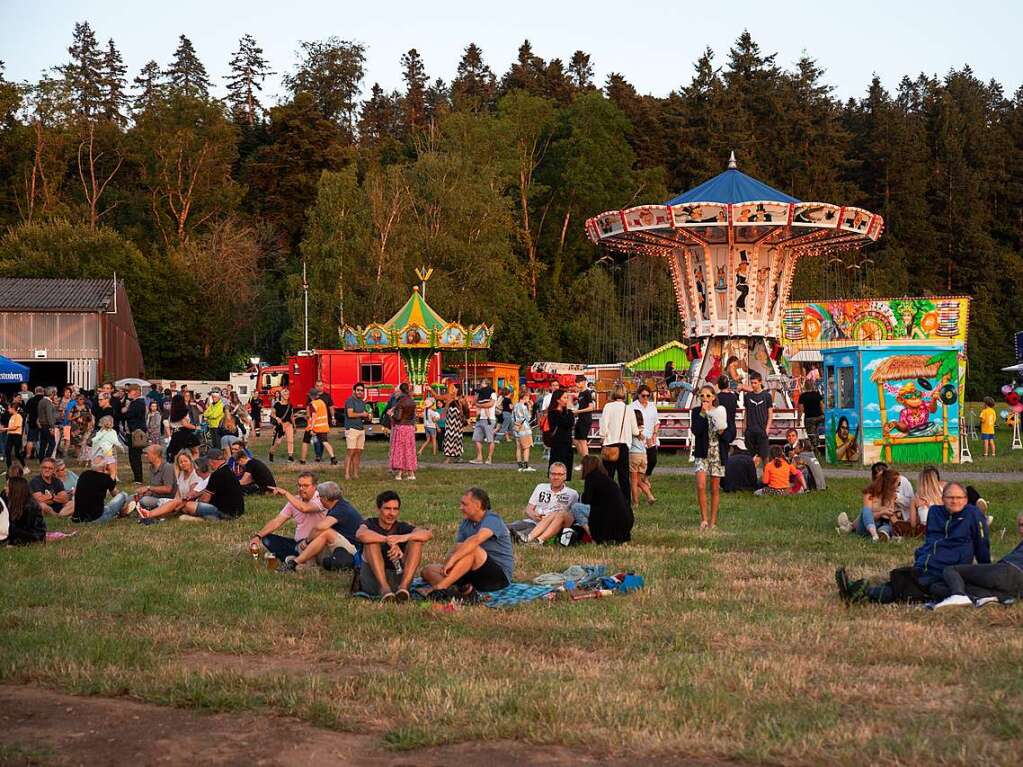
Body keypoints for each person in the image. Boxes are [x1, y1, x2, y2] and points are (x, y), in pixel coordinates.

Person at [836, 482, 990, 604]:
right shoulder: (936, 512)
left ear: (966, 499)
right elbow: (930, 540)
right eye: (950, 497)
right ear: (943, 498)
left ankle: (860, 592)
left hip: (949, 570)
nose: (955, 501)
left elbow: (982, 544)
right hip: (926, 565)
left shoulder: (972, 514)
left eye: (959, 498)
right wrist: (921, 554)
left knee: (905, 586)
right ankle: (858, 590)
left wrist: (986, 571)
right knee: (903, 577)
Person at [421, 487, 514, 599]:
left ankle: (440, 589)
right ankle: (462, 593)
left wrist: (453, 560)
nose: (461, 507)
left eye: (464, 504)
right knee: (428, 570)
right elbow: (458, 547)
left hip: (498, 577)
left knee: (473, 549)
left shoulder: (492, 519)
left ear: (478, 505)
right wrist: (446, 566)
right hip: (473, 573)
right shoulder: (465, 524)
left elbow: (476, 540)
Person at [356, 490, 434, 600]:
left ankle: (404, 588)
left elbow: (428, 534)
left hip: (398, 579)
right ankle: (384, 589)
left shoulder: (402, 527)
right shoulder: (370, 523)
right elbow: (361, 534)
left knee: (416, 541)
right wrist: (388, 540)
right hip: (374, 581)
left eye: (395, 509)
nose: (391, 513)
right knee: (371, 543)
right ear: (379, 509)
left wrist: (403, 538)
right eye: (387, 508)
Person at [934, 512, 1023, 607]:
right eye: (1021, 525)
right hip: (1014, 588)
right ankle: (987, 598)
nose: (1022, 528)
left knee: (951, 570)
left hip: (1009, 571)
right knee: (950, 586)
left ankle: (958, 596)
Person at [277, 481, 364, 573]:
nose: (318, 499)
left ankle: (294, 563)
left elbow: (320, 527)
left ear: (325, 498)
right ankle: (307, 564)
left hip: (354, 551)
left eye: (319, 496)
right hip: (341, 548)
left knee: (326, 533)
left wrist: (307, 542)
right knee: (317, 538)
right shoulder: (340, 505)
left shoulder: (341, 509)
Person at [249, 472, 326, 561]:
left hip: (315, 543)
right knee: (267, 539)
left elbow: (304, 508)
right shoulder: (295, 501)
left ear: (315, 486)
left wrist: (286, 493)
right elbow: (277, 521)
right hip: (298, 544)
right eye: (299, 485)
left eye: (305, 485)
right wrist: (258, 536)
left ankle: (297, 559)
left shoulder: (321, 499)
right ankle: (296, 558)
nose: (301, 488)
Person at [508, 463, 580, 545]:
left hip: (549, 526)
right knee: (505, 528)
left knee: (516, 537)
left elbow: (572, 518)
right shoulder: (541, 487)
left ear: (565, 476)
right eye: (553, 474)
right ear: (549, 475)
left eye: (560, 474)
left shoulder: (572, 494)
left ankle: (527, 539)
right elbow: (529, 509)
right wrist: (534, 515)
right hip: (532, 521)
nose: (556, 477)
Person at [691, 384, 728, 529]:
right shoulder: (696, 412)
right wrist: (702, 412)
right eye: (702, 396)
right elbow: (696, 430)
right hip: (702, 452)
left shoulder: (720, 411)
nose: (705, 398)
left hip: (717, 452)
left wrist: (723, 432)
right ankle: (704, 519)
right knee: (700, 486)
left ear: (713, 397)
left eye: (708, 396)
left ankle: (713, 522)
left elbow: (729, 431)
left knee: (714, 489)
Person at [599, 384, 639, 508]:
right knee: (623, 477)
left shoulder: (608, 407)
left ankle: (605, 500)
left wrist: (602, 437)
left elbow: (604, 425)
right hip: (624, 446)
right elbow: (635, 431)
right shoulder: (629, 409)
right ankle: (626, 502)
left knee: (607, 476)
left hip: (610, 444)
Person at [579, 455, 633, 544]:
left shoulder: (591, 477)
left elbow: (586, 500)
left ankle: (590, 535)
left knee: (576, 508)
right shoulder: (606, 479)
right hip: (625, 521)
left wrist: (580, 495)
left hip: (609, 523)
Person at [138, 451, 205, 521]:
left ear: (191, 461)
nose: (183, 464)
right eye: (181, 462)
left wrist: (175, 504)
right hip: (179, 501)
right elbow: (178, 493)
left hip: (188, 502)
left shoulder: (195, 475)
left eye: (185, 461)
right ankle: (153, 513)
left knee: (170, 504)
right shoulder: (181, 474)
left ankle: (149, 514)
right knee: (161, 502)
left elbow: (191, 496)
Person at [184, 448, 244, 521]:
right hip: (238, 511)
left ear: (211, 461)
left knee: (188, 506)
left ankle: (209, 518)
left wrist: (195, 501)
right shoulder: (228, 470)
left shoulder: (216, 475)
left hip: (225, 513)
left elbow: (205, 500)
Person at [72, 456, 130, 523]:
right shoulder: (105, 478)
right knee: (123, 495)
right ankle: (123, 512)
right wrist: (112, 473)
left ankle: (121, 512)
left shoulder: (84, 474)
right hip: (96, 518)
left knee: (102, 505)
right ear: (105, 466)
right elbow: (115, 494)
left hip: (77, 518)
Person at [0, 475, 46, 545]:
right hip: (13, 531)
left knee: (10, 529)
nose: (4, 488)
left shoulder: (30, 507)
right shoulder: (5, 497)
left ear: (15, 489)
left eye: (7, 486)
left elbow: (30, 531)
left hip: (32, 535)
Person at [342, 382, 372, 478]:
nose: (360, 392)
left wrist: (368, 417)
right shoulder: (350, 401)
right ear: (354, 391)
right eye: (358, 390)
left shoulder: (362, 402)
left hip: (361, 429)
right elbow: (350, 414)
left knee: (358, 453)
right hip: (351, 429)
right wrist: (362, 414)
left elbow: (363, 417)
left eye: (362, 390)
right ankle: (347, 474)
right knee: (350, 452)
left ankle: (355, 474)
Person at [631, 384, 660, 482]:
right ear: (638, 395)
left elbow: (656, 422)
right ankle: (639, 481)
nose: (645, 398)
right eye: (643, 395)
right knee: (641, 462)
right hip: (639, 438)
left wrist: (655, 433)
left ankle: (646, 477)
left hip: (650, 437)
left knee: (653, 460)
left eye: (648, 396)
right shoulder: (632, 406)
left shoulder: (652, 406)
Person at [389, 383, 418, 481]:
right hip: (410, 427)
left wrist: (391, 414)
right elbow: (414, 416)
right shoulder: (412, 401)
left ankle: (399, 474)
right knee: (409, 450)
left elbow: (398, 417)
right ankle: (411, 473)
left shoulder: (400, 402)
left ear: (400, 391)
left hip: (401, 427)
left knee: (400, 450)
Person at [545, 389, 576, 480]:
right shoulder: (554, 412)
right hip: (558, 443)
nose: (567, 400)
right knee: (558, 463)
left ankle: (565, 480)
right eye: (565, 398)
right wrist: (570, 410)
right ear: (558, 400)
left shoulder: (564, 412)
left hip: (567, 442)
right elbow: (568, 422)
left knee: (567, 463)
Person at [301, 389, 337, 465]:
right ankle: (333, 458)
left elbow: (313, 416)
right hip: (323, 426)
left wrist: (311, 428)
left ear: (311, 396)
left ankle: (303, 460)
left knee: (305, 442)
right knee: (325, 442)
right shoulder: (322, 402)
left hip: (314, 427)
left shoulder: (312, 404)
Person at [742, 372, 773, 462]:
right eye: (751, 383)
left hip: (762, 430)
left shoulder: (767, 396)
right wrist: (745, 426)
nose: (753, 385)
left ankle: (767, 475)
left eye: (755, 383)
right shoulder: (748, 396)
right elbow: (746, 412)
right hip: (750, 430)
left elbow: (770, 414)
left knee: (765, 457)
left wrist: (767, 429)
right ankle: (752, 475)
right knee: (751, 457)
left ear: (760, 382)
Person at [905, 466, 945, 534]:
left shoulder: (915, 499)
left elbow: (913, 524)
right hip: (943, 526)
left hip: (926, 530)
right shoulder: (943, 490)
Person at [137, 445, 176, 513]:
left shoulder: (167, 467)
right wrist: (144, 493)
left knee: (144, 501)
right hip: (155, 496)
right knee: (132, 497)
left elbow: (168, 489)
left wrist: (149, 488)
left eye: (147, 453)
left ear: (156, 455)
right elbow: (154, 488)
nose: (145, 456)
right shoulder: (151, 467)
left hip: (166, 499)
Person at [629, 410, 655, 506]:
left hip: (633, 455)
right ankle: (649, 495)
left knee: (634, 481)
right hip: (644, 456)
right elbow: (650, 444)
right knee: (639, 480)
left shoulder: (631, 429)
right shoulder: (646, 429)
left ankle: (635, 503)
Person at [470, 380, 497, 465]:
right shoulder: (480, 394)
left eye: (482, 384)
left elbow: (490, 404)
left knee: (490, 439)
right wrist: (477, 394)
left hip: (489, 419)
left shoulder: (492, 394)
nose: (480, 385)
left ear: (486, 384)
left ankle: (489, 458)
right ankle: (479, 458)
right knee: (477, 439)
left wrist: (479, 405)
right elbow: (473, 402)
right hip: (480, 418)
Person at [572, 376, 596, 469]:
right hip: (580, 418)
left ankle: (586, 464)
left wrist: (578, 412)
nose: (577, 384)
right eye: (576, 382)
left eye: (579, 382)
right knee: (576, 440)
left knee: (583, 441)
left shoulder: (587, 393)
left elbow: (591, 407)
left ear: (584, 382)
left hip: (585, 419)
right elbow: (580, 406)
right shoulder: (581, 393)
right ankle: (583, 461)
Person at [268, 389, 295, 463]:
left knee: (290, 440)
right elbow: (272, 414)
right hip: (280, 425)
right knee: (277, 442)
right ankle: (271, 452)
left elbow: (292, 416)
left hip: (288, 424)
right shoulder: (277, 404)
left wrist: (294, 426)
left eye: (288, 394)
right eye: (285, 394)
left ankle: (290, 456)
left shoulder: (290, 405)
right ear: (281, 395)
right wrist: (277, 418)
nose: (287, 396)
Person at [797, 381, 825, 453]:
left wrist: (798, 420)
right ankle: (820, 446)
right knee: (818, 432)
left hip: (809, 418)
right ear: (812, 386)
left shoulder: (803, 396)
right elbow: (822, 406)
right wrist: (824, 415)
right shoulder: (817, 394)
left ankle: (815, 449)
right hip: (820, 416)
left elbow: (800, 409)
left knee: (811, 434)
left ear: (804, 387)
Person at [512, 390, 535, 472]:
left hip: (516, 428)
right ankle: (525, 466)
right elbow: (528, 418)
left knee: (518, 447)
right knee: (526, 447)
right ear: (525, 397)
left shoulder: (516, 406)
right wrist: (530, 408)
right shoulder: (524, 407)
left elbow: (513, 418)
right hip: (524, 429)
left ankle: (519, 466)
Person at [442, 389, 467, 463]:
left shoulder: (460, 400)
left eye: (454, 389)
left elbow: (463, 411)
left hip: (455, 425)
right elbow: (445, 411)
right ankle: (450, 458)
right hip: (452, 425)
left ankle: (454, 458)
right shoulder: (451, 400)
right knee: (452, 440)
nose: (452, 390)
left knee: (455, 440)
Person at [36, 386, 58, 460]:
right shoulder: (47, 402)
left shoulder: (41, 401)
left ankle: (41, 460)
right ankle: (47, 459)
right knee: (52, 443)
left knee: (43, 444)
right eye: (54, 393)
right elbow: (49, 416)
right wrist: (52, 427)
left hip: (42, 425)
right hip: (47, 425)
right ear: (52, 393)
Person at [3, 401, 24, 468]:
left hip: (16, 436)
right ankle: (9, 468)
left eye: (9, 408)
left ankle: (24, 467)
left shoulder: (18, 416)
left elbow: (15, 427)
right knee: (7, 452)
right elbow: (10, 428)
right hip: (10, 435)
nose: (8, 410)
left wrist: (5, 429)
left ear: (13, 408)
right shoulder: (12, 417)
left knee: (17, 454)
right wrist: (4, 430)